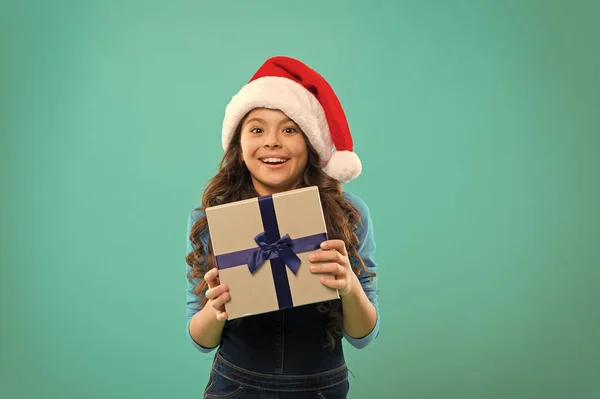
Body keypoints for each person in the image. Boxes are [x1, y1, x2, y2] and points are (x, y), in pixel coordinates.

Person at [185, 56, 380, 399]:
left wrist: (349, 285)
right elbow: (201, 341)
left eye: (290, 129)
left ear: (311, 143)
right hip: (236, 386)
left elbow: (363, 337)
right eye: (257, 129)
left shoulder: (350, 215)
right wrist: (215, 310)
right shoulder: (211, 217)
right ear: (238, 145)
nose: (272, 142)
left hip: (321, 389)